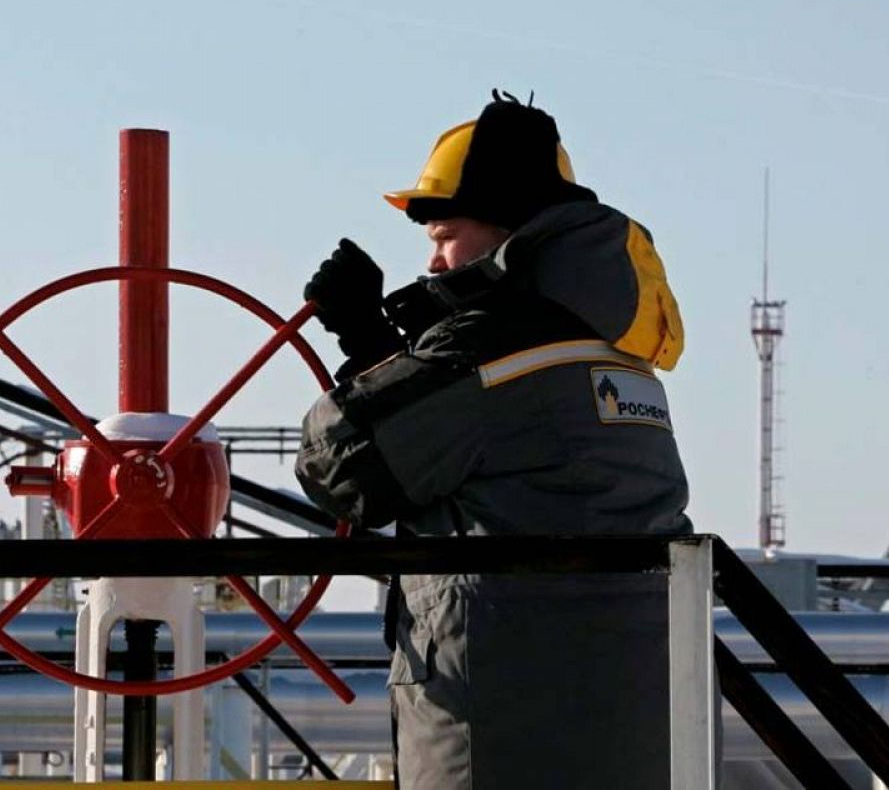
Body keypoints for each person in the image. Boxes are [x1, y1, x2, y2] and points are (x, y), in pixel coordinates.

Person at [295, 91, 692, 789]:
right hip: (631, 717)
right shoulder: (617, 352)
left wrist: (366, 344)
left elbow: (344, 468)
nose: (438, 264)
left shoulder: (488, 351)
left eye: (444, 236)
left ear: (509, 231)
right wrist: (380, 351)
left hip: (502, 721)